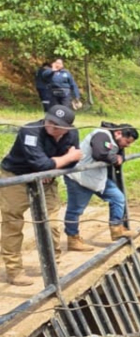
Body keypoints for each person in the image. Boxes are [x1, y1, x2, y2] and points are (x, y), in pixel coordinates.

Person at [0, 105, 81, 286]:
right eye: (49, 120)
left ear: (67, 127)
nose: (51, 126)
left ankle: (53, 266)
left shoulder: (73, 134)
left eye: (57, 124)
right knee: (12, 223)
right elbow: (43, 163)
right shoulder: (30, 131)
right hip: (16, 177)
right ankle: (14, 270)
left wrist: (50, 170)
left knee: (52, 224)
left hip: (47, 180)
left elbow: (72, 165)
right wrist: (64, 159)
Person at [63, 123, 139, 252]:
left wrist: (119, 157)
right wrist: (115, 159)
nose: (127, 145)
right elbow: (99, 154)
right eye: (127, 141)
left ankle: (116, 229)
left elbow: (118, 154)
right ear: (118, 133)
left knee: (118, 197)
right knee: (75, 210)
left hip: (97, 178)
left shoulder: (114, 139)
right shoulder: (101, 135)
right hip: (79, 177)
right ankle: (73, 239)